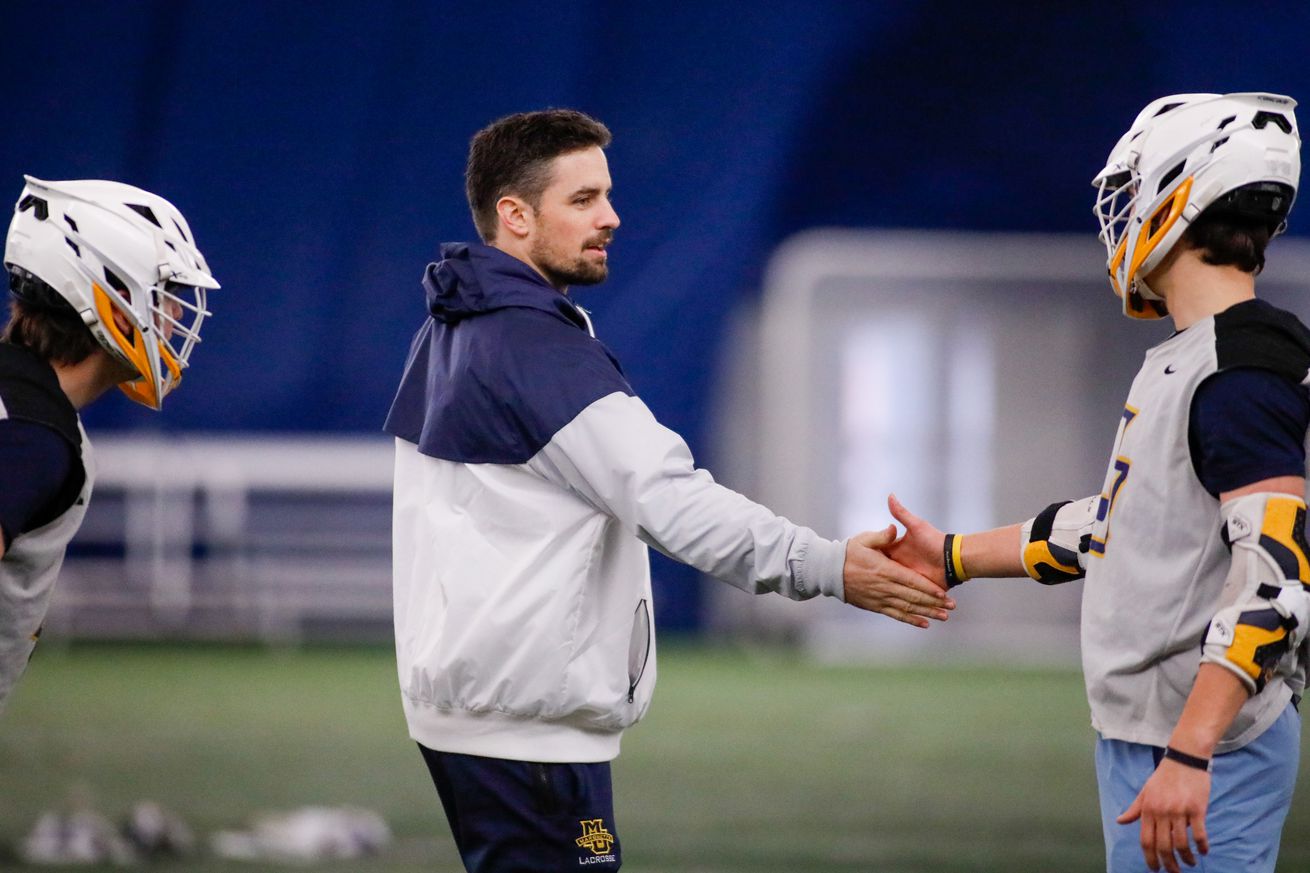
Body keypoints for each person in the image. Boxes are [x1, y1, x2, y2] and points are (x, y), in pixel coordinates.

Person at [383, 108, 954, 872]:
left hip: (480, 709)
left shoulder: (457, 321)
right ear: (514, 216)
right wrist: (827, 564)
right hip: (522, 729)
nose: (611, 217)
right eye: (582, 199)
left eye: (607, 195)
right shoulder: (530, 344)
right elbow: (671, 500)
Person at [885, 92, 1307, 873]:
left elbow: (1274, 577)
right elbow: (1118, 524)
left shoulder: (1240, 369)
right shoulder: (1207, 355)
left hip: (1203, 748)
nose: (1118, 217)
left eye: (1133, 189)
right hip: (1163, 738)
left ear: (1181, 195)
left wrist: (1190, 752)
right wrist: (951, 554)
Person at [0, 176, 217, 713]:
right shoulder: (34, 436)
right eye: (167, 296)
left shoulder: (29, 410)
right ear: (115, 300)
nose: (176, 317)